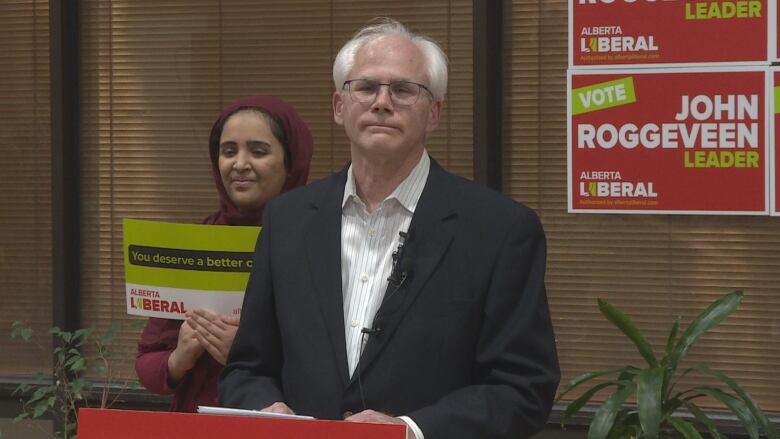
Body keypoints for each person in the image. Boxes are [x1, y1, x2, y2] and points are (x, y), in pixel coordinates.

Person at [219, 19, 560, 439]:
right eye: (365, 87)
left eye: (403, 90)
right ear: (339, 106)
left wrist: (410, 430)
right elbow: (247, 368)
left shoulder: (500, 230)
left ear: (434, 113)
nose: (382, 102)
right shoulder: (286, 220)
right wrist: (265, 409)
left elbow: (522, 388)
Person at [135, 96, 314, 412]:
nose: (239, 164)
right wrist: (180, 357)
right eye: (228, 151)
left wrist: (250, 355)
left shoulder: (319, 245)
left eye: (258, 151)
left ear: (291, 162)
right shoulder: (194, 245)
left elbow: (337, 367)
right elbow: (147, 364)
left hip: (281, 421)